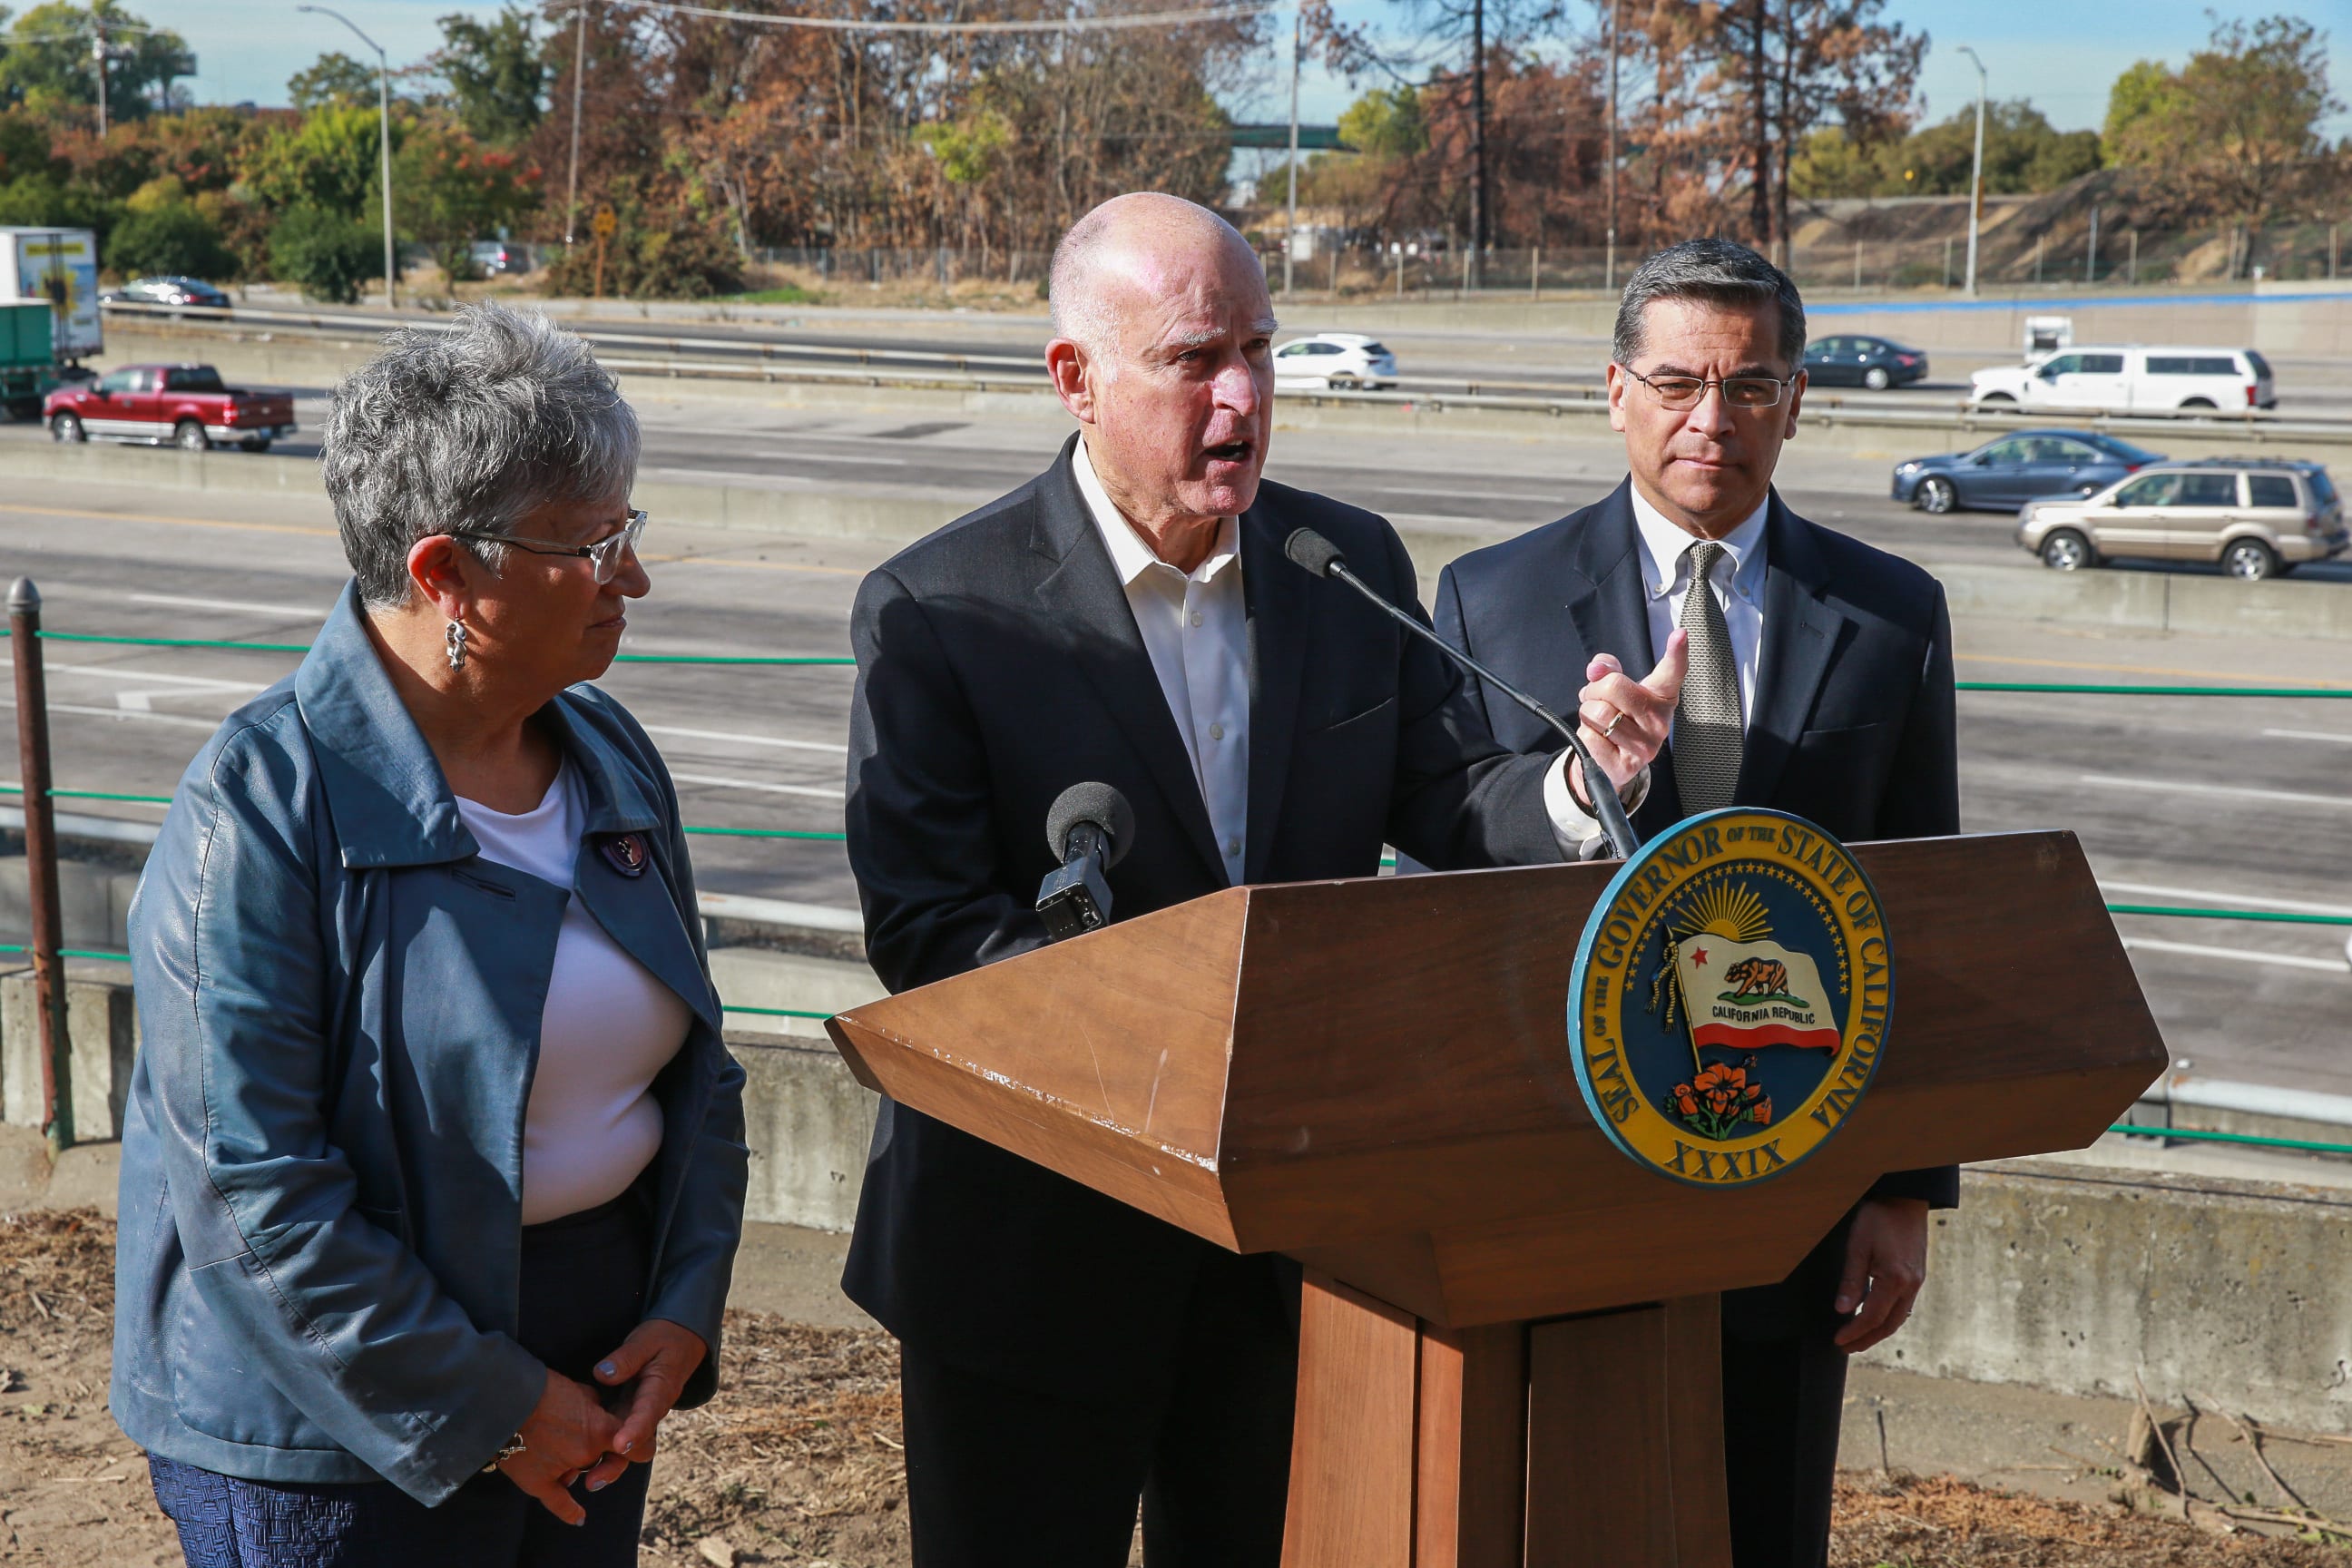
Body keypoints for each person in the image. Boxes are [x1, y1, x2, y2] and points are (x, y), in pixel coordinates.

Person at [839, 192, 1586, 1566]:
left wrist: (1577, 786)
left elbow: (1444, 797)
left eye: (1260, 348)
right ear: (1077, 380)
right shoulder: (941, 609)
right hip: (1030, 1254)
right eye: (1195, 359)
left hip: (1284, 1243)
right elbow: (933, 933)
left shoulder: (1342, 561)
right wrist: (1169, 1045)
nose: (1243, 393)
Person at [111, 303, 750, 1568]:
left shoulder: (607, 753)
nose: (632, 575)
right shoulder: (259, 804)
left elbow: (701, 1071)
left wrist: (683, 1305)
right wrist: (496, 1404)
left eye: (632, 531)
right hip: (336, 1423)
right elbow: (258, 1197)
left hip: (596, 1373)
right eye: (593, 544)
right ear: (446, 572)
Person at [1432, 237, 1960, 1568]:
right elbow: (1451, 869)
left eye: (1750, 386)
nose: (1708, 420)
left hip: (1790, 1167)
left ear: (1797, 400)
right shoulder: (1492, 600)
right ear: (1615, 390)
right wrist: (1580, 778)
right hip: (1566, 1168)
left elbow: (1919, 898)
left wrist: (1904, 1189)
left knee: (1765, 1517)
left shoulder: (1893, 615)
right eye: (1676, 382)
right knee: (1552, 1519)